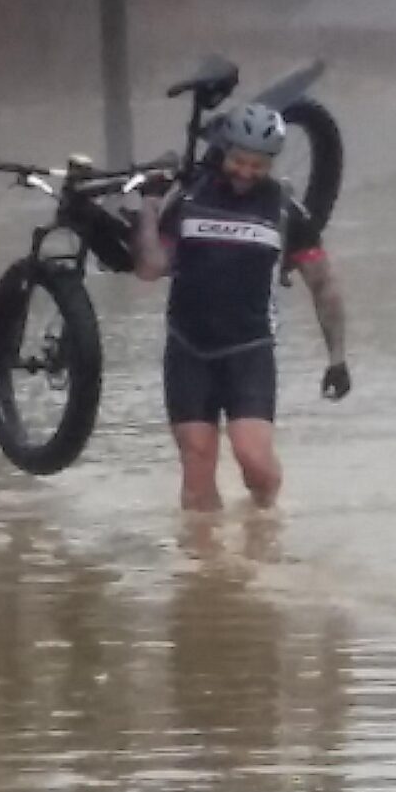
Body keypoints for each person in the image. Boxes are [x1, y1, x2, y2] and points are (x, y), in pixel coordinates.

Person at [135, 104, 350, 514]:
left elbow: (323, 285)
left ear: (271, 163)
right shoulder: (190, 195)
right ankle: (206, 572)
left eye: (258, 165)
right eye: (238, 160)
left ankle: (264, 525)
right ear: (224, 151)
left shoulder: (285, 209)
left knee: (255, 461)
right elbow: (150, 268)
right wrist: (149, 204)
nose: (245, 172)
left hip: (248, 350)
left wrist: (337, 358)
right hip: (188, 348)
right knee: (197, 467)